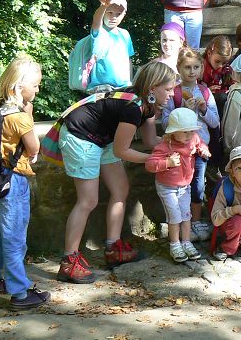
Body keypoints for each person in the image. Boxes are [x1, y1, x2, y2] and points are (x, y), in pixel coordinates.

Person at [55, 61, 177, 283]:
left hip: (103, 138)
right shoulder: (133, 108)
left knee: (120, 189)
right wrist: (156, 160)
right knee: (88, 200)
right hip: (80, 135)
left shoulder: (149, 105)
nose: (172, 94)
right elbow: (122, 151)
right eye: (168, 89)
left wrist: (177, 144)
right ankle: (68, 262)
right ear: (152, 87)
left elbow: (150, 141)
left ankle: (113, 249)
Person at [0, 55, 50, 310]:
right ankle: (19, 293)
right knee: (14, 237)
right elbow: (34, 148)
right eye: (35, 85)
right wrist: (28, 116)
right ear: (20, 87)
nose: (37, 90)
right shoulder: (19, 118)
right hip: (13, 181)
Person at [162, 48, 220, 243]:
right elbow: (165, 123)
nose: (192, 71)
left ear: (202, 68)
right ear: (179, 68)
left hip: (200, 147)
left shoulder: (205, 92)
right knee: (179, 185)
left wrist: (203, 109)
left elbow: (215, 122)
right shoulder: (174, 93)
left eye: (196, 67)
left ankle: (195, 220)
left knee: (198, 185)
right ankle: (178, 220)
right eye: (187, 67)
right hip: (179, 148)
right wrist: (182, 111)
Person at [147, 107, 211, 262]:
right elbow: (150, 164)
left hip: (184, 186)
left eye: (191, 131)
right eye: (185, 132)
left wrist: (203, 150)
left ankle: (186, 242)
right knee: (175, 217)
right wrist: (166, 163)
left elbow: (200, 143)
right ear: (173, 132)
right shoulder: (164, 146)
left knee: (186, 215)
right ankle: (175, 244)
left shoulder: (193, 139)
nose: (189, 135)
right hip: (167, 188)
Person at [83, 0, 135, 93]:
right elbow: (96, 22)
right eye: (110, 12)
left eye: (118, 14)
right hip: (101, 87)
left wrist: (130, 82)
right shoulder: (99, 32)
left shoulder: (125, 34)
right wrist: (104, 6)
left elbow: (128, 60)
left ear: (124, 15)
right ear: (104, 13)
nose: (113, 17)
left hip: (123, 87)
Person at [202, 35, 234, 112]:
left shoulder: (226, 69)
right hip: (204, 100)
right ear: (209, 53)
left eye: (224, 63)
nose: (220, 66)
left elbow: (231, 84)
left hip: (222, 98)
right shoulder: (200, 67)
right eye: (217, 61)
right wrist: (207, 91)